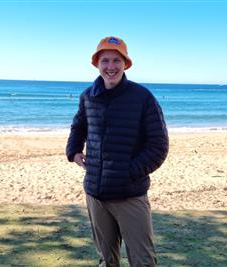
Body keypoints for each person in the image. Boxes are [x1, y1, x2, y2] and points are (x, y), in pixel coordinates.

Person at [66, 36, 169, 266]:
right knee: (106, 260)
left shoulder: (142, 97)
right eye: (105, 60)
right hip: (95, 193)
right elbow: (78, 126)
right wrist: (74, 151)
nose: (110, 67)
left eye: (116, 60)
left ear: (125, 64)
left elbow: (159, 146)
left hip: (130, 194)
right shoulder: (87, 96)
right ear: (97, 64)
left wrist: (127, 172)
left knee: (143, 261)